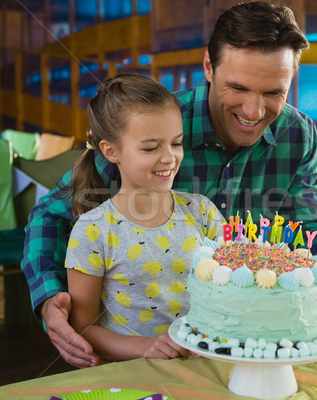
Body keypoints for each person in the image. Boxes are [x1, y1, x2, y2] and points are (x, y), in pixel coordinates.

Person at [21, 1, 317, 368]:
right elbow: (49, 216)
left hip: (244, 344)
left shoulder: (298, 134)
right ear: (209, 67)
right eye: (238, 87)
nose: (255, 111)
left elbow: (312, 223)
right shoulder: (151, 128)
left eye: (274, 92)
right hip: (137, 357)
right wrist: (50, 297)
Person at [64, 74, 224, 361]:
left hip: (204, 368)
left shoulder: (203, 212)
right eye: (151, 148)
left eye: (176, 143)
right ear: (110, 151)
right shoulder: (92, 231)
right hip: (134, 374)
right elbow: (83, 326)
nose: (169, 158)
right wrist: (146, 349)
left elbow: (231, 291)